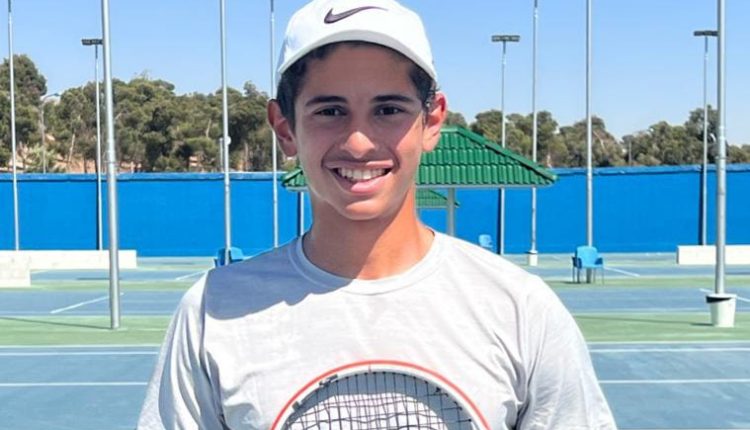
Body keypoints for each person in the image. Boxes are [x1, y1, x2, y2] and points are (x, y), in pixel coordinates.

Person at [137, 0, 617, 428]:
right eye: (330, 111)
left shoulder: (520, 309)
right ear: (284, 128)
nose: (359, 142)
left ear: (432, 121)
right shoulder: (213, 311)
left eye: (388, 109)